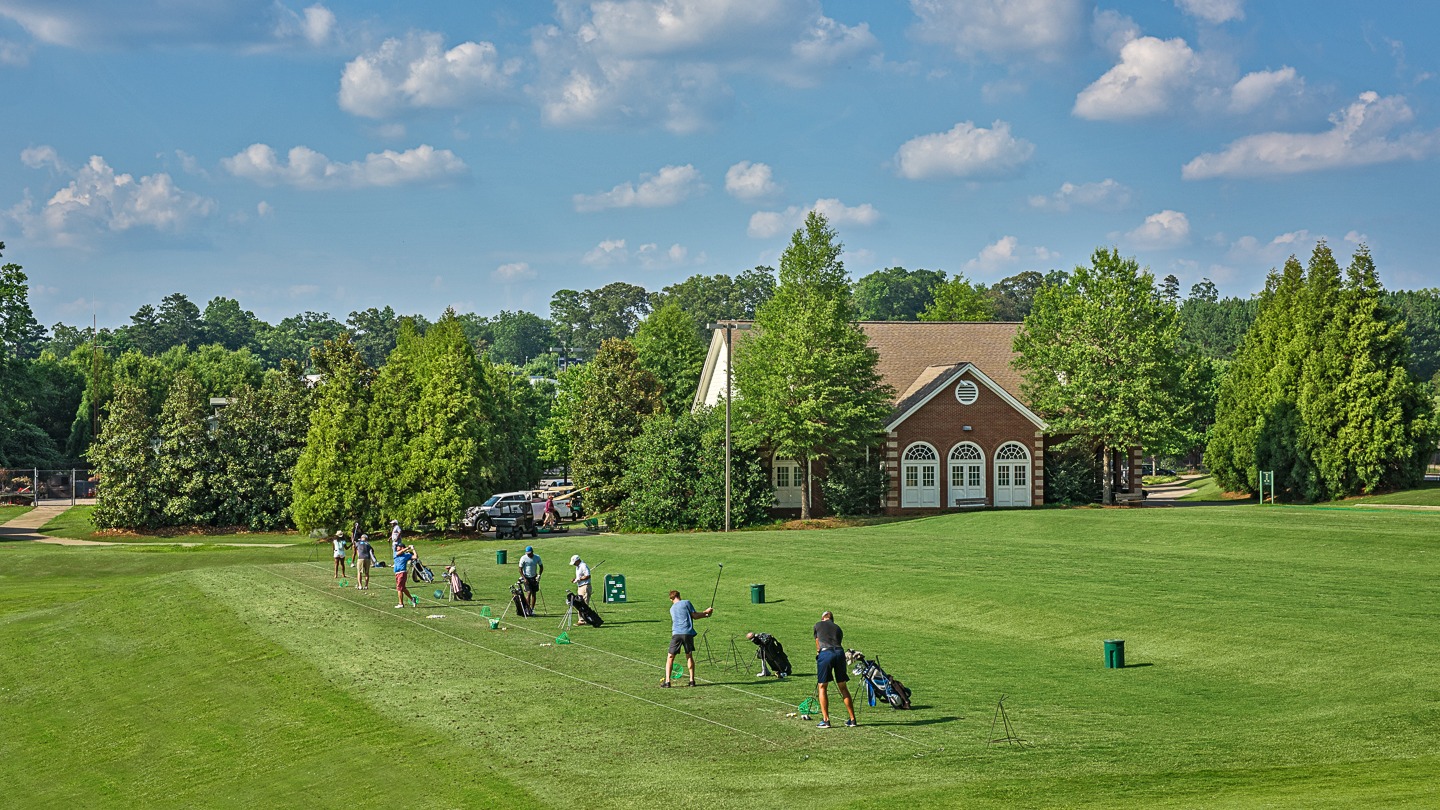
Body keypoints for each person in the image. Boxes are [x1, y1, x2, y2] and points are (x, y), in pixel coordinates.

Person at [813, 610, 857, 728]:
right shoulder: (838, 628)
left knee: (822, 686)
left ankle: (826, 720)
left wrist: (818, 653)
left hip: (826, 654)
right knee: (842, 686)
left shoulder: (817, 625)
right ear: (832, 619)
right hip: (839, 653)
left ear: (823, 618)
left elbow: (818, 642)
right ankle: (852, 719)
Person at [661, 590, 712, 688]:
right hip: (688, 633)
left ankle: (667, 681)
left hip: (676, 634)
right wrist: (706, 613)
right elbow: (695, 616)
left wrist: (706, 613)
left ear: (671, 598)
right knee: (689, 655)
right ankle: (692, 680)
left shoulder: (671, 609)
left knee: (670, 657)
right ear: (679, 596)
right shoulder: (686, 603)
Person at [518, 546, 543, 613]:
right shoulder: (523, 558)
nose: (528, 554)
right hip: (526, 577)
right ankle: (527, 608)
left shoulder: (537, 557)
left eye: (529, 553)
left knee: (534, 593)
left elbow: (541, 566)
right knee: (528, 593)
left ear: (532, 552)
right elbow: (520, 569)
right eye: (527, 553)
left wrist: (539, 575)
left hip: (534, 577)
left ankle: (532, 609)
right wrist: (524, 578)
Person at [393, 542, 417, 608]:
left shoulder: (406, 555)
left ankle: (401, 604)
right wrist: (407, 548)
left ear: (402, 547)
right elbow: (399, 553)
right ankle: (412, 599)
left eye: (398, 546)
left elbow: (415, 557)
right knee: (403, 588)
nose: (397, 547)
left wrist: (413, 549)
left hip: (402, 573)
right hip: (397, 573)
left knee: (399, 588)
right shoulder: (395, 553)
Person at [570, 555, 591, 623]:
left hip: (585, 586)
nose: (574, 564)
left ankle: (583, 620)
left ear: (577, 560)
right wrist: (576, 579)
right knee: (579, 602)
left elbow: (588, 576)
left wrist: (579, 579)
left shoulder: (583, 566)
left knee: (583, 603)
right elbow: (580, 576)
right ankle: (582, 619)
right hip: (580, 586)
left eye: (574, 563)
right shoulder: (578, 567)